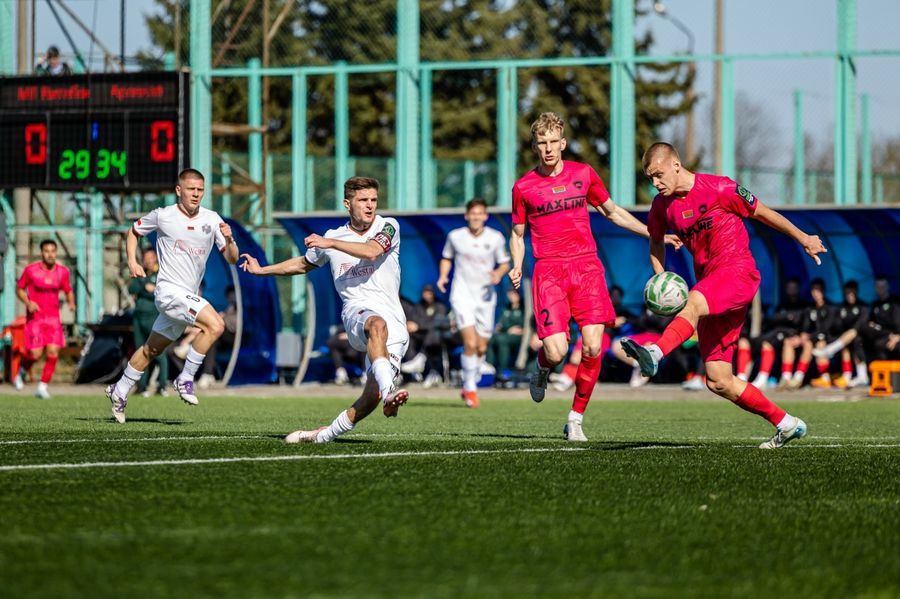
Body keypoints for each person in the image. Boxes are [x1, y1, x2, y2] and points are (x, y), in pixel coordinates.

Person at [622, 142, 826, 449]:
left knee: (692, 301)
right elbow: (655, 243)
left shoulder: (719, 187)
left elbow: (764, 213)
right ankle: (786, 423)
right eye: (650, 178)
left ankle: (655, 352)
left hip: (737, 272)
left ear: (676, 165)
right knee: (718, 379)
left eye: (659, 175)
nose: (655, 183)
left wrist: (804, 238)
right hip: (711, 283)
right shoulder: (660, 206)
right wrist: (660, 277)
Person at [508, 112, 681, 442]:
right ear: (534, 146)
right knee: (557, 351)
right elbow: (517, 234)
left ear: (563, 143)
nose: (547, 149)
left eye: (552, 143)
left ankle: (575, 419)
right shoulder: (524, 187)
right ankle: (542, 369)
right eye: (541, 143)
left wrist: (653, 235)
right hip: (549, 271)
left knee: (591, 346)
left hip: (586, 268)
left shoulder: (584, 174)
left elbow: (612, 212)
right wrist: (517, 264)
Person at [240, 176, 410, 443]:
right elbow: (303, 264)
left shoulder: (388, 226)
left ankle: (324, 435)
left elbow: (372, 252)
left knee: (371, 397)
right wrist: (263, 270)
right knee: (376, 325)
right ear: (347, 204)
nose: (370, 206)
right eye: (363, 200)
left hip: (396, 325)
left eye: (373, 200)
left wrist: (330, 244)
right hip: (358, 311)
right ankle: (391, 389)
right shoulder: (333, 237)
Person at [105, 168, 239, 423]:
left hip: (185, 297)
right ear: (179, 190)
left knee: (150, 349)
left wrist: (230, 240)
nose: (196, 194)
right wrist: (133, 262)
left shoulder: (211, 219)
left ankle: (119, 390)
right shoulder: (163, 215)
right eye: (191, 189)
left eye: (200, 189)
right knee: (216, 324)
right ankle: (186, 378)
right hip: (168, 292)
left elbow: (231, 259)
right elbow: (133, 231)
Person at [437, 198, 510, 408]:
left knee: (481, 346)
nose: (476, 217)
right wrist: (443, 277)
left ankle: (471, 378)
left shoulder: (495, 238)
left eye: (480, 213)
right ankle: (470, 388)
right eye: (473, 213)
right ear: (467, 215)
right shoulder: (455, 236)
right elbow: (446, 258)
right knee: (469, 343)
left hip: (486, 298)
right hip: (462, 295)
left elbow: (504, 263)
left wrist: (497, 273)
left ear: (485, 216)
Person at [15, 239, 75, 399]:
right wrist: (28, 302)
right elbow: (19, 289)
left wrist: (71, 302)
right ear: (41, 253)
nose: (50, 254)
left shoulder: (62, 272)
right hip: (36, 319)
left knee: (53, 351)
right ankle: (21, 370)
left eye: (53, 251)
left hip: (53, 319)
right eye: (47, 251)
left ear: (56, 253)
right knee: (35, 354)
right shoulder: (31, 271)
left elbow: (68, 289)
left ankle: (42, 387)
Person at [128, 247, 169, 397]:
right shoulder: (141, 274)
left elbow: (159, 293)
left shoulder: (161, 274)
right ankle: (142, 386)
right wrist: (145, 286)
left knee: (157, 352)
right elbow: (132, 289)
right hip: (138, 317)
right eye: (146, 258)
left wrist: (147, 289)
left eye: (151, 257)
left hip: (153, 316)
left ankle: (162, 385)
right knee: (140, 351)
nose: (148, 261)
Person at [812, 280, 870, 387]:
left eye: (852, 293)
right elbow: (836, 325)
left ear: (856, 292)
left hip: (864, 337)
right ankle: (837, 377)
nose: (850, 295)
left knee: (854, 334)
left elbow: (861, 325)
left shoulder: (863, 307)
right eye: (847, 293)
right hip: (844, 339)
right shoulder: (841, 307)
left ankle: (830, 351)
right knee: (841, 343)